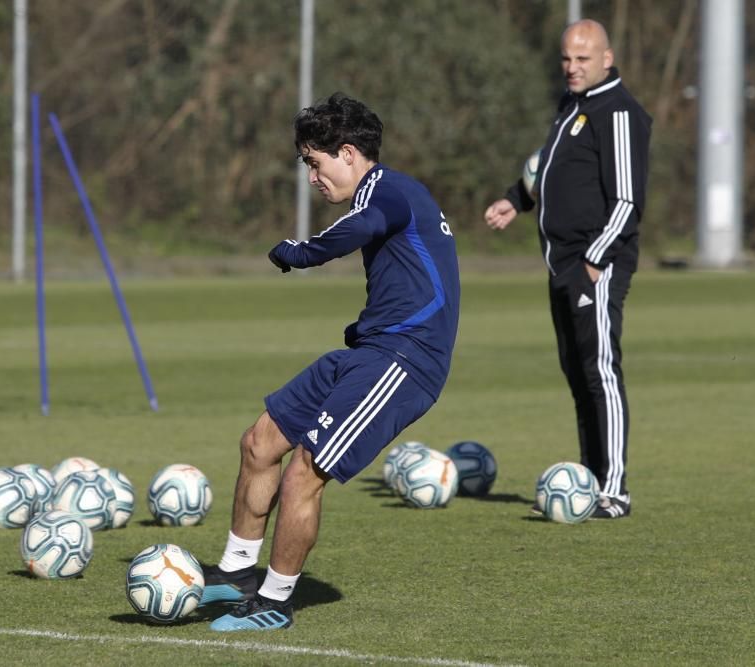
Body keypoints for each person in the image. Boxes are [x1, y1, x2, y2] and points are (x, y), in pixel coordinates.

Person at [202, 93, 460, 631]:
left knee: (304, 472)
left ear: (347, 152)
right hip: (370, 351)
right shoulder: (384, 193)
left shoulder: (388, 192)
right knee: (261, 441)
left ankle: (273, 603)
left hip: (405, 360)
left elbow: (357, 231)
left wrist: (299, 251)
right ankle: (235, 573)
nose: (313, 178)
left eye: (315, 164)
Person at [484, 19, 651, 519]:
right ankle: (591, 479)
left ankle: (615, 492)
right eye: (566, 58)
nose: (572, 67)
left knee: (600, 372)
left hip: (593, 267)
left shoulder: (619, 112)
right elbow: (549, 166)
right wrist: (517, 199)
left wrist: (594, 263)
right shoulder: (571, 106)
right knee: (578, 377)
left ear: (607, 58)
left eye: (582, 58)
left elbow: (627, 201)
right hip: (561, 266)